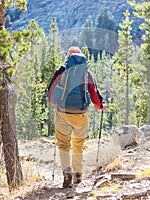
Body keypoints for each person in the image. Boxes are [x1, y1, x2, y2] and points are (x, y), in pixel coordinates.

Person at [48, 46, 106, 188]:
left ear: (68, 58)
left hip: (62, 113)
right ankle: (78, 174)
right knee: (78, 145)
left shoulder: (61, 71)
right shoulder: (86, 73)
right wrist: (100, 107)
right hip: (80, 114)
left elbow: (51, 97)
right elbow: (94, 95)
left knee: (63, 145)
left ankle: (67, 173)